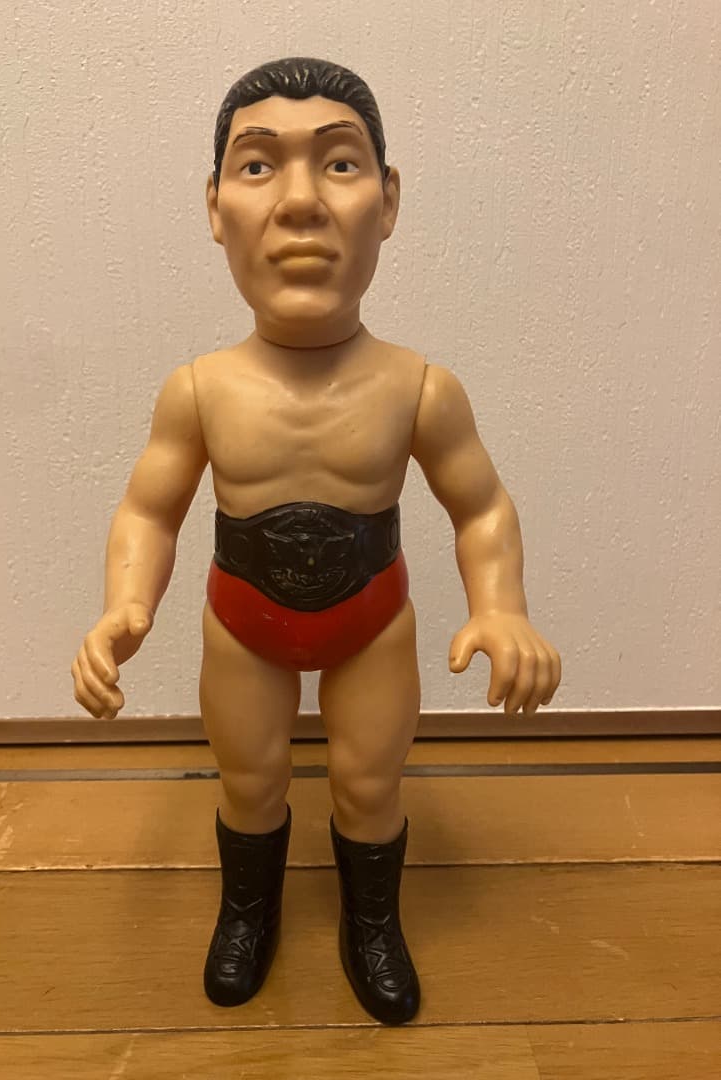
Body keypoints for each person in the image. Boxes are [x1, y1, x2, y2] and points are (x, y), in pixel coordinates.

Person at [71, 57, 561, 1026]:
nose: (299, 203)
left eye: (339, 164)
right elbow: (149, 512)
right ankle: (247, 909)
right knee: (249, 780)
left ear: (388, 201)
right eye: (258, 166)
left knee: (369, 782)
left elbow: (482, 509)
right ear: (215, 208)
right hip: (242, 624)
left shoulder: (419, 388)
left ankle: (371, 921)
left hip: (370, 624)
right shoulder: (201, 390)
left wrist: (502, 607)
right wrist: (126, 604)